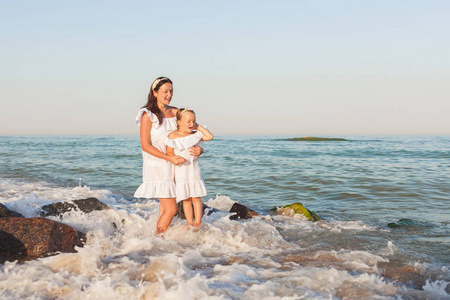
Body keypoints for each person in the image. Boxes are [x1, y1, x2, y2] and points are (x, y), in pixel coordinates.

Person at [134, 77, 203, 234]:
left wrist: (200, 150)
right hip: (157, 165)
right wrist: (169, 158)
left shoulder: (177, 112)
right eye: (165, 91)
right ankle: (157, 241)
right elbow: (145, 145)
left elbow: (190, 135)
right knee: (171, 210)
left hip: (176, 165)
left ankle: (157, 242)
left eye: (171, 91)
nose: (169, 94)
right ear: (155, 92)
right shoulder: (148, 114)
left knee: (164, 208)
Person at [165, 108, 213, 228]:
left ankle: (197, 222)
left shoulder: (194, 135)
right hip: (181, 170)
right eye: (189, 121)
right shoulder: (173, 135)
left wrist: (198, 126)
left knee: (196, 196)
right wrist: (175, 158)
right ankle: (189, 222)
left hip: (193, 168)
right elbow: (169, 152)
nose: (192, 124)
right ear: (179, 122)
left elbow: (209, 136)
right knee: (186, 198)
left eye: (194, 121)